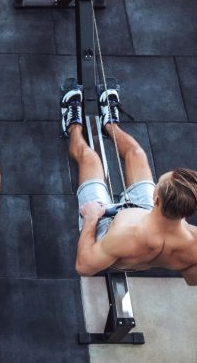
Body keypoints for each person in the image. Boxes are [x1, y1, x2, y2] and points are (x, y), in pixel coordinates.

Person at [61, 86, 197, 284]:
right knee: (136, 153)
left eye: (157, 184)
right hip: (144, 214)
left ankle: (72, 126)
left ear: (157, 199)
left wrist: (91, 219)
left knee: (89, 158)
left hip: (105, 225)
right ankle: (110, 125)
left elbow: (84, 266)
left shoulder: (122, 237)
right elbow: (191, 279)